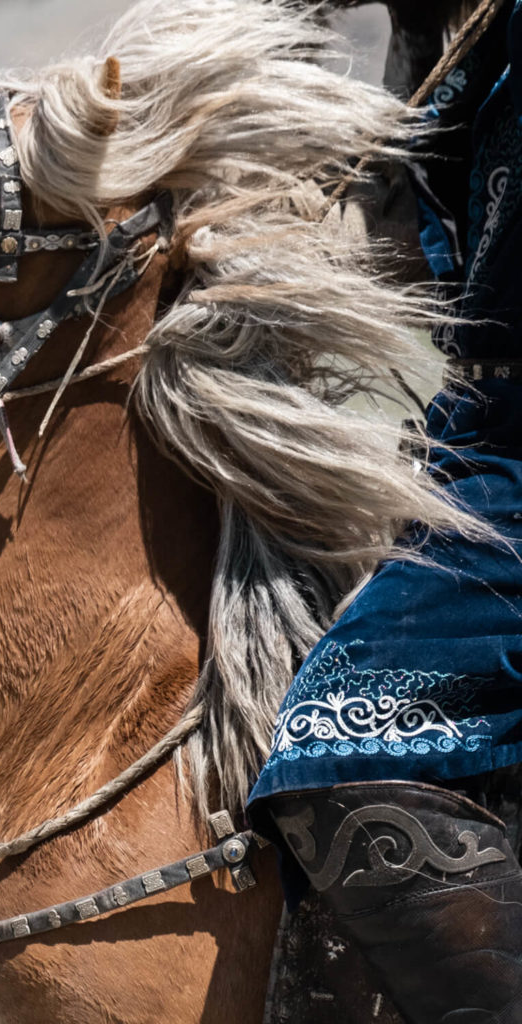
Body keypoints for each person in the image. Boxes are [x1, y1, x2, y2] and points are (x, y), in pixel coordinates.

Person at [248, 3, 522, 1020]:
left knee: (342, 741)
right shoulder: (467, 43)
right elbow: (435, 271)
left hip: (509, 459)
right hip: (470, 434)